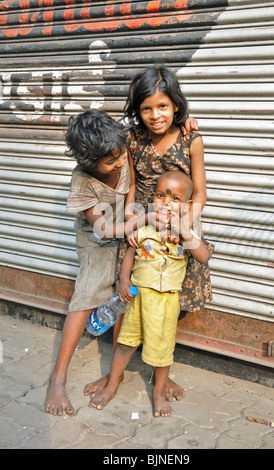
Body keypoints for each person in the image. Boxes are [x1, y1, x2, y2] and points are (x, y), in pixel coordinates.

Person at [84, 65, 213, 406]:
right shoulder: (132, 139)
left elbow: (199, 193)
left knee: (172, 302)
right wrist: (135, 219)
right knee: (126, 301)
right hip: (144, 227)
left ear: (176, 105)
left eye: (163, 106)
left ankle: (161, 375)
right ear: (137, 109)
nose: (155, 115)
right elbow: (130, 197)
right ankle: (116, 374)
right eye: (146, 108)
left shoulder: (192, 138)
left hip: (180, 228)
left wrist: (183, 224)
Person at [45, 109, 165, 416]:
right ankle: (57, 380)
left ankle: (115, 373)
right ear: (89, 162)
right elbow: (100, 228)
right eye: (111, 162)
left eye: (121, 156)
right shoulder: (83, 180)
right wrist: (139, 222)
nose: (120, 163)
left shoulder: (120, 151)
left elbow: (135, 183)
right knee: (85, 297)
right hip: (96, 239)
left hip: (125, 231)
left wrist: (131, 217)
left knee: (123, 298)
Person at [87, 171, 211, 417]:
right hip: (138, 298)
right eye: (161, 195)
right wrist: (123, 280)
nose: (166, 201)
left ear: (186, 206)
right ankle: (113, 382)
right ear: (152, 200)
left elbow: (203, 256)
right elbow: (129, 258)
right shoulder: (143, 229)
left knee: (163, 350)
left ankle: (158, 391)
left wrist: (184, 231)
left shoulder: (187, 235)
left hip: (166, 303)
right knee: (125, 342)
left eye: (175, 198)